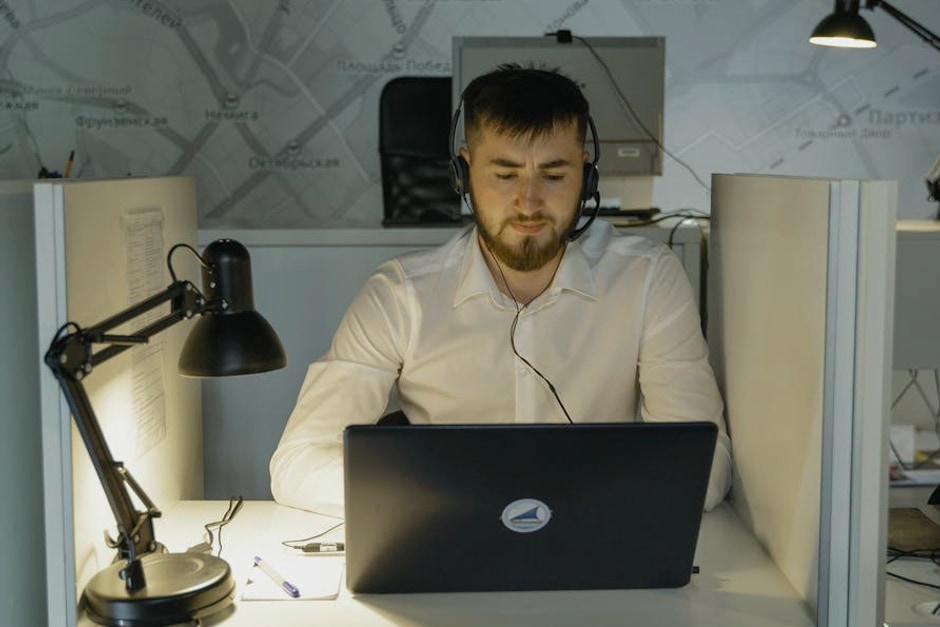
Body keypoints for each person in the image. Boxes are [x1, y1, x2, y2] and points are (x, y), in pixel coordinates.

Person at [270, 64, 732, 516]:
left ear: (586, 176)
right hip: (445, 539)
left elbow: (706, 466)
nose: (528, 203)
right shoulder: (400, 294)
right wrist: (443, 499)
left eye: (553, 175)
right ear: (463, 173)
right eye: (504, 174)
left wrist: (570, 506)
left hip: (589, 546)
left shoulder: (647, 278)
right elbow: (298, 462)